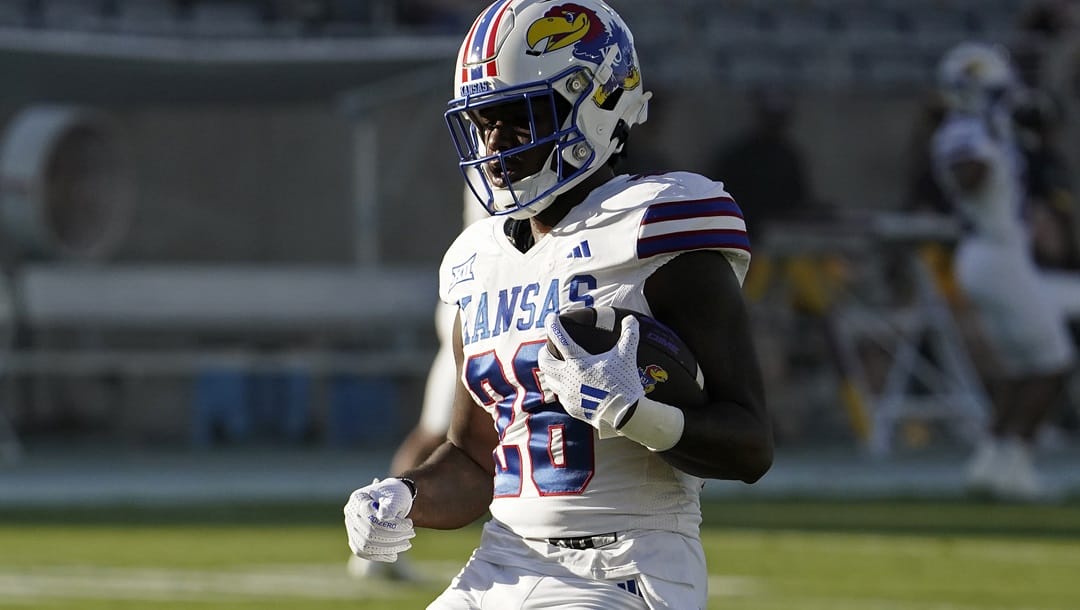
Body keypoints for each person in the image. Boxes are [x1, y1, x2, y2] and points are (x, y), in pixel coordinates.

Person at [343, 1, 773, 607]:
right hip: (503, 557)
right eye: (485, 120)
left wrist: (636, 413)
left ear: (595, 103)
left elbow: (751, 446)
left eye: (520, 116)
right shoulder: (477, 258)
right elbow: (473, 458)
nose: (495, 140)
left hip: (627, 564)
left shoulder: (657, 226)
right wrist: (404, 495)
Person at [931, 42, 1075, 501]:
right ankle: (1018, 461)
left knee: (1021, 368)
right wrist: (995, 135)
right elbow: (966, 176)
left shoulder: (989, 127)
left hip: (998, 255)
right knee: (1054, 365)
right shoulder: (968, 131)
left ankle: (991, 462)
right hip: (993, 253)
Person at [346, 194, 487, 581]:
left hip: (489, 295)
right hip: (483, 301)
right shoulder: (508, 150)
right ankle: (381, 523)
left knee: (443, 430)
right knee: (448, 433)